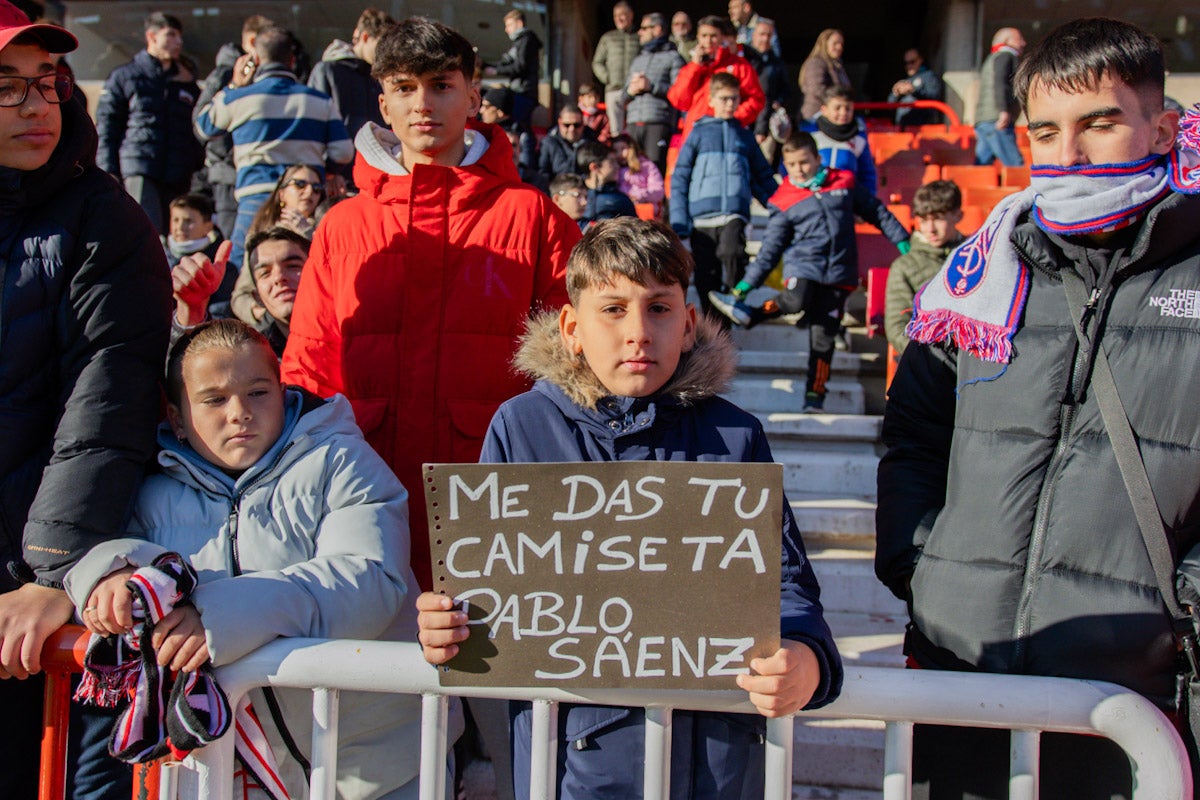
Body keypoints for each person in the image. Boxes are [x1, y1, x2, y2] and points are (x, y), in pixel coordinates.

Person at [876, 17, 1200, 798]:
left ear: (1161, 126)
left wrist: (1184, 604)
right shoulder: (976, 274)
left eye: (1101, 123)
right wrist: (923, 564)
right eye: (1046, 131)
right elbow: (914, 438)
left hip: (1131, 702)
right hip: (964, 674)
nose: (1070, 154)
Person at [414, 217, 844, 800]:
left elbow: (786, 586)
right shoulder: (522, 429)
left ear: (689, 324)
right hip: (565, 765)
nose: (638, 332)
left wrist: (807, 658)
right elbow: (488, 593)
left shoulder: (735, 437)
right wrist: (449, 625)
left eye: (659, 308)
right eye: (612, 309)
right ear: (571, 327)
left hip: (714, 762)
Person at [65, 319, 436, 799]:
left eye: (258, 392)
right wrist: (111, 575)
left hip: (378, 764)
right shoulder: (150, 491)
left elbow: (368, 580)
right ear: (177, 418)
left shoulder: (342, 460)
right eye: (214, 400)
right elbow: (118, 554)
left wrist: (216, 616)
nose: (239, 413)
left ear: (283, 393)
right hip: (230, 770)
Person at [279, 16, 581, 592]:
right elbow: (309, 366)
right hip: (363, 496)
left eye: (441, 84)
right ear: (383, 101)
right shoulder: (343, 224)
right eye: (404, 86)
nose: (424, 103)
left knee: (485, 674)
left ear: (473, 94)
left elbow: (577, 364)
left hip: (497, 497)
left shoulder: (534, 215)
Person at [0, 4, 173, 796]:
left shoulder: (107, 219)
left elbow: (106, 399)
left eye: (46, 83)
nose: (38, 106)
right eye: (9, 88)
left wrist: (49, 570)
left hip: (28, 586)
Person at [707, 132, 908, 412]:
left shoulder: (844, 182)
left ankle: (815, 397)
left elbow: (877, 211)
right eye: (791, 165)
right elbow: (770, 251)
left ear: (817, 158)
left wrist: (903, 240)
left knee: (823, 338)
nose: (799, 169)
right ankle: (752, 312)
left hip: (840, 272)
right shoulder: (784, 199)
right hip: (804, 264)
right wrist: (744, 286)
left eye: (804, 162)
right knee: (795, 300)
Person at [194, 24, 353, 276]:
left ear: (255, 59)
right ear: (292, 60)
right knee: (304, 267)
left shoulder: (239, 98)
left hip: (254, 198)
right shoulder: (318, 100)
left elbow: (203, 127)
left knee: (242, 269)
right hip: (304, 198)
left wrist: (234, 85)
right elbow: (343, 151)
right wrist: (329, 173)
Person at [670, 72, 777, 322]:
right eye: (725, 99)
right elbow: (680, 177)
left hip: (734, 213)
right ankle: (714, 330)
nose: (730, 104)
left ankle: (732, 307)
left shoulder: (745, 136)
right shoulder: (697, 134)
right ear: (711, 100)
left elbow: (762, 176)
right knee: (707, 275)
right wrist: (679, 219)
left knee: (732, 255)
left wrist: (782, 207)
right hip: (701, 218)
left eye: (735, 99)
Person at [96, 12, 204, 235]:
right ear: (152, 36)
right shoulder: (125, 76)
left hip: (179, 175)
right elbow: (107, 126)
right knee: (145, 234)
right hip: (139, 170)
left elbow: (196, 130)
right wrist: (108, 171)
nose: (178, 42)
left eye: (179, 37)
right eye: (171, 35)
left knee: (176, 238)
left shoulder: (186, 82)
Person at [193, 14, 274, 241]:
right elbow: (201, 121)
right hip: (229, 175)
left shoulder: (266, 74)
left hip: (256, 174)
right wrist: (234, 87)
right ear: (251, 42)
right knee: (235, 244)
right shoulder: (226, 72)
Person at [308, 7, 395, 192]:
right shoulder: (328, 71)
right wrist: (329, 171)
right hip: (338, 179)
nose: (385, 53)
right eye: (381, 45)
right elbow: (314, 125)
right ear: (364, 37)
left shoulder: (384, 78)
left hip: (380, 177)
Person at [883, 180, 962, 354]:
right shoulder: (904, 267)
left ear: (958, 215)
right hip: (926, 359)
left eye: (939, 219)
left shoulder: (975, 258)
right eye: (924, 221)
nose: (931, 229)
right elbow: (897, 328)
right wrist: (932, 357)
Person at [666, 15, 764, 141]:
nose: (708, 41)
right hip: (695, 133)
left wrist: (733, 117)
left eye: (713, 36)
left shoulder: (739, 65)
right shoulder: (692, 66)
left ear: (722, 37)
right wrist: (695, 67)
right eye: (704, 36)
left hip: (728, 133)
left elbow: (756, 99)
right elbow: (678, 100)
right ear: (698, 37)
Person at [621, 11, 684, 173]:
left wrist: (651, 87)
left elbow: (681, 93)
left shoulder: (674, 57)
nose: (639, 32)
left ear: (657, 29)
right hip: (634, 121)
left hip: (658, 121)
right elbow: (623, 96)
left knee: (655, 169)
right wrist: (630, 90)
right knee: (631, 169)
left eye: (644, 28)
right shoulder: (637, 59)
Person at [805, 85, 878, 196]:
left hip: (846, 198)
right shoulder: (810, 134)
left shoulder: (858, 138)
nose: (843, 113)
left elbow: (867, 174)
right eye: (837, 108)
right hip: (815, 198)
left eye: (848, 108)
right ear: (824, 110)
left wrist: (868, 201)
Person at [974, 27, 1025, 166]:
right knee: (1015, 164)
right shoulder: (1006, 56)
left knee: (981, 167)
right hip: (997, 119)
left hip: (985, 119)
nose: (1023, 43)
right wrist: (1003, 110)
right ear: (1007, 41)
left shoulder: (992, 59)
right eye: (1019, 38)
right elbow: (1000, 83)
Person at [744, 18, 790, 162]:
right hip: (745, 118)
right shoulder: (743, 58)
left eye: (769, 35)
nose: (765, 39)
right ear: (753, 35)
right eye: (761, 34)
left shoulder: (776, 62)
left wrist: (779, 101)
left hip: (767, 120)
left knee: (764, 161)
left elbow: (785, 89)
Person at [591, 1, 639, 136]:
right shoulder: (608, 38)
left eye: (623, 15)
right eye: (616, 16)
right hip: (613, 89)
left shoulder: (639, 37)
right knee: (615, 130)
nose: (619, 18)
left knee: (634, 127)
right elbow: (597, 62)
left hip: (635, 90)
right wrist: (607, 78)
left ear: (631, 15)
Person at [485, 9, 541, 105]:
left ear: (519, 23)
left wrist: (496, 71)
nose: (506, 29)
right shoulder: (519, 41)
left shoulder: (527, 40)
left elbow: (520, 66)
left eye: (509, 25)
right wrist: (485, 65)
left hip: (524, 91)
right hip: (520, 90)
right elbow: (506, 62)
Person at [577, 140, 637, 226]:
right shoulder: (573, 194)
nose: (617, 166)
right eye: (612, 162)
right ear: (594, 167)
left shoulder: (620, 199)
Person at [798, 28, 850, 122]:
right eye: (835, 43)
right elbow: (816, 88)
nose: (839, 47)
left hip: (834, 118)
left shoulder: (837, 65)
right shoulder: (816, 63)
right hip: (816, 116)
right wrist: (835, 102)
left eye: (841, 44)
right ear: (824, 44)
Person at [538, 103, 596, 186]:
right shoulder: (549, 143)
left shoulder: (592, 141)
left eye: (576, 125)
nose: (572, 129)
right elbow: (543, 173)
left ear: (583, 123)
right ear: (560, 123)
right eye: (567, 125)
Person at [163, 193, 224, 269]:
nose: (180, 227)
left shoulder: (219, 266)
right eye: (176, 220)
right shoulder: (155, 257)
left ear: (208, 227)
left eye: (188, 221)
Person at [887, 48, 944, 127]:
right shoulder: (904, 80)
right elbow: (889, 105)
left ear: (920, 60)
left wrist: (913, 90)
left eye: (912, 62)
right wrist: (895, 93)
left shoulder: (928, 76)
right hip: (902, 127)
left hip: (922, 128)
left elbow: (934, 95)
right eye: (906, 63)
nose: (909, 66)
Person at [613, 133, 664, 214]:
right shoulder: (614, 170)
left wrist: (639, 195)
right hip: (623, 209)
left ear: (631, 148)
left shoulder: (646, 166)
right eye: (615, 151)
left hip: (645, 210)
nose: (620, 154)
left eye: (623, 149)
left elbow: (658, 191)